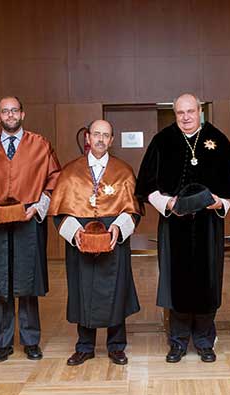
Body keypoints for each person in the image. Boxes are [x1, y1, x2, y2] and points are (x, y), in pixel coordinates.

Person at [135, 93, 230, 363]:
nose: (185, 117)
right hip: (174, 226)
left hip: (208, 226)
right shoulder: (163, 140)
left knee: (207, 282)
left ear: (199, 111)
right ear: (175, 113)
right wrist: (167, 203)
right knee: (176, 283)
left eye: (190, 111)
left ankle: (205, 341)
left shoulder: (217, 139)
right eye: (180, 112)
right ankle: (178, 342)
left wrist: (220, 202)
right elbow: (146, 185)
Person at [0, 96, 61, 362]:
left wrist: (38, 206)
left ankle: (31, 341)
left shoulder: (40, 145)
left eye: (14, 111)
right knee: (1, 283)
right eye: (5, 112)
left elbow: (54, 179)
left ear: (23, 113)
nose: (10, 115)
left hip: (28, 220)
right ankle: (3, 343)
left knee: (27, 281)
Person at [48, 120, 142, 366]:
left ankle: (116, 346)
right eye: (96, 134)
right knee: (83, 290)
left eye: (106, 135)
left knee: (116, 290)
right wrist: (75, 232)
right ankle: (85, 346)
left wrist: (118, 227)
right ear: (88, 137)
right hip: (81, 241)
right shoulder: (70, 171)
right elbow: (59, 212)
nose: (100, 139)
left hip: (113, 241)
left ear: (112, 140)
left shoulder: (124, 171)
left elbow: (134, 210)